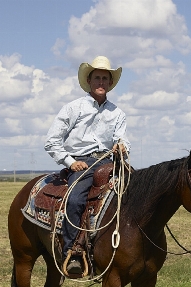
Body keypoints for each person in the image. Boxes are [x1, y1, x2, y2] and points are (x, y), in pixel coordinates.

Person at [45, 56, 130, 275]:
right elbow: (52, 141)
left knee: (135, 195)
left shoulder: (118, 113)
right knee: (75, 200)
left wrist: (122, 147)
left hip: (110, 162)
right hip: (82, 163)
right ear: (89, 81)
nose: (101, 82)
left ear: (110, 83)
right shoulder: (73, 108)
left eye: (105, 78)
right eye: (97, 78)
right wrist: (70, 162)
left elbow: (122, 139)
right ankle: (72, 251)